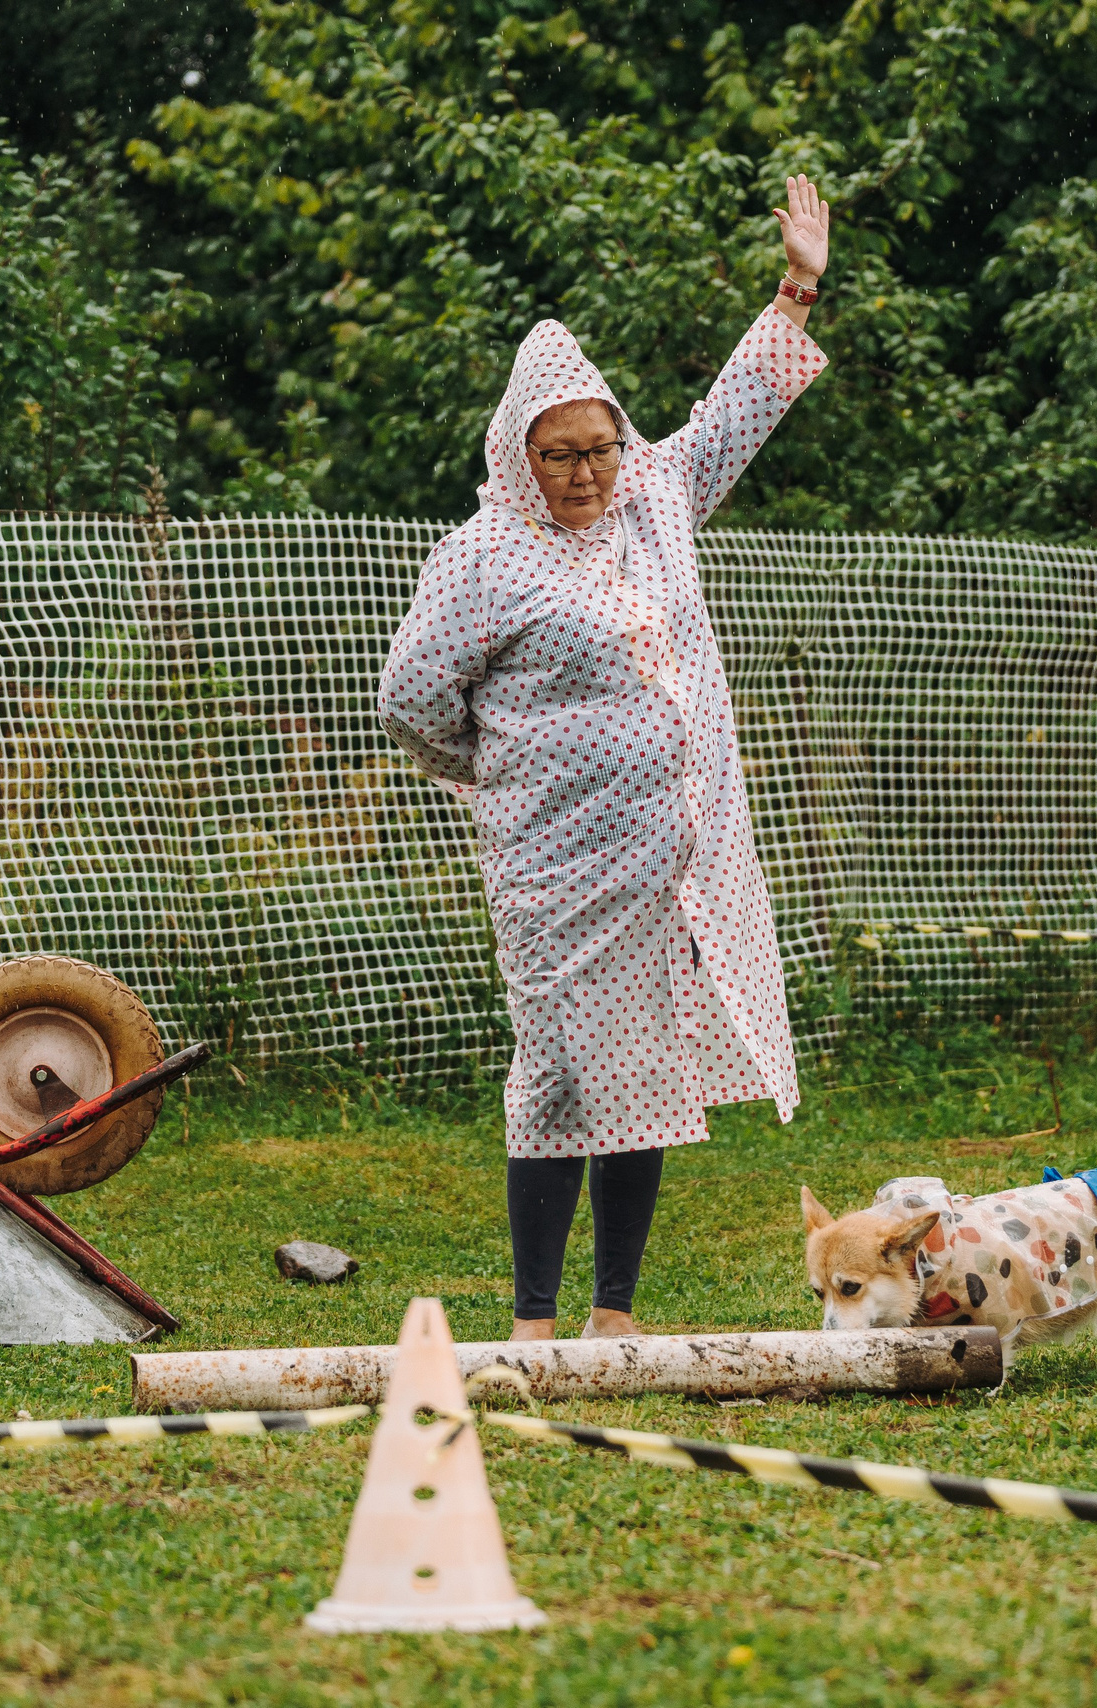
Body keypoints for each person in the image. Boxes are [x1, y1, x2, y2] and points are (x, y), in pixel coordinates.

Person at [375, 176, 833, 1340]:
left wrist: (797, 285)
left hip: (677, 853)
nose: (586, 471)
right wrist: (511, 773)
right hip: (556, 862)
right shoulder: (482, 557)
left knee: (647, 1074)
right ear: (517, 455)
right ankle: (534, 1315)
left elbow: (732, 412)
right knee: (562, 1075)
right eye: (560, 453)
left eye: (600, 446)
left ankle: (613, 1309)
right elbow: (414, 700)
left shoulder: (656, 502)